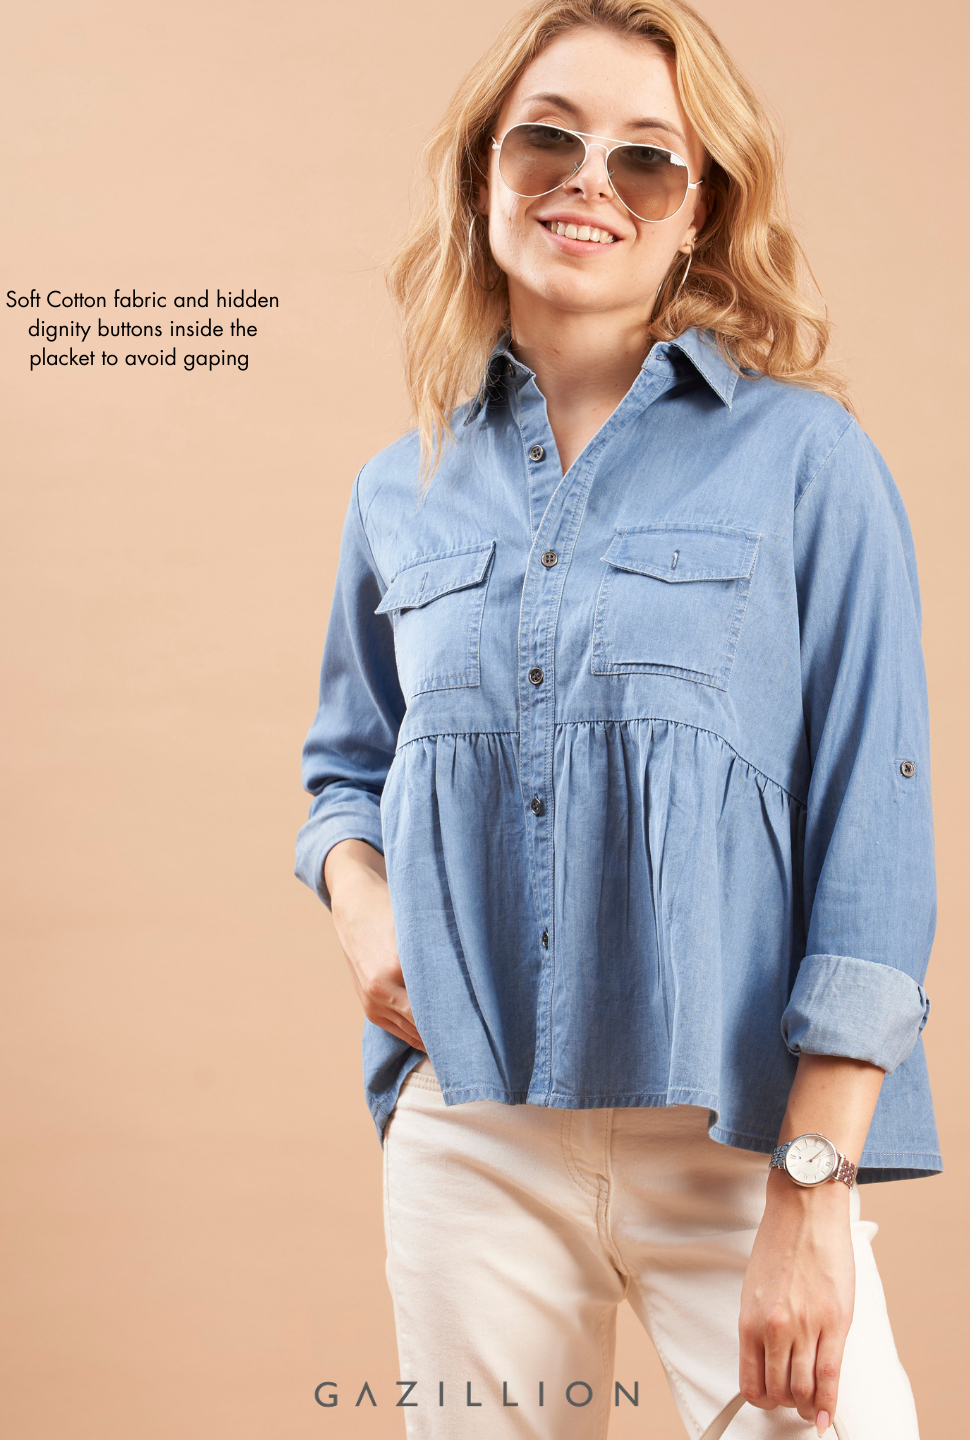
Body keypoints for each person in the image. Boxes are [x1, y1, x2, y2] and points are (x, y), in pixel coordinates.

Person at [294, 2, 939, 1435]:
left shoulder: (806, 463)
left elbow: (871, 832)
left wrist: (815, 1191)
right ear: (484, 174)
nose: (591, 181)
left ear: (697, 209)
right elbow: (345, 770)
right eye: (549, 138)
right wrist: (362, 911)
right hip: (471, 1134)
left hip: (737, 1134)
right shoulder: (401, 488)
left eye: (647, 158)